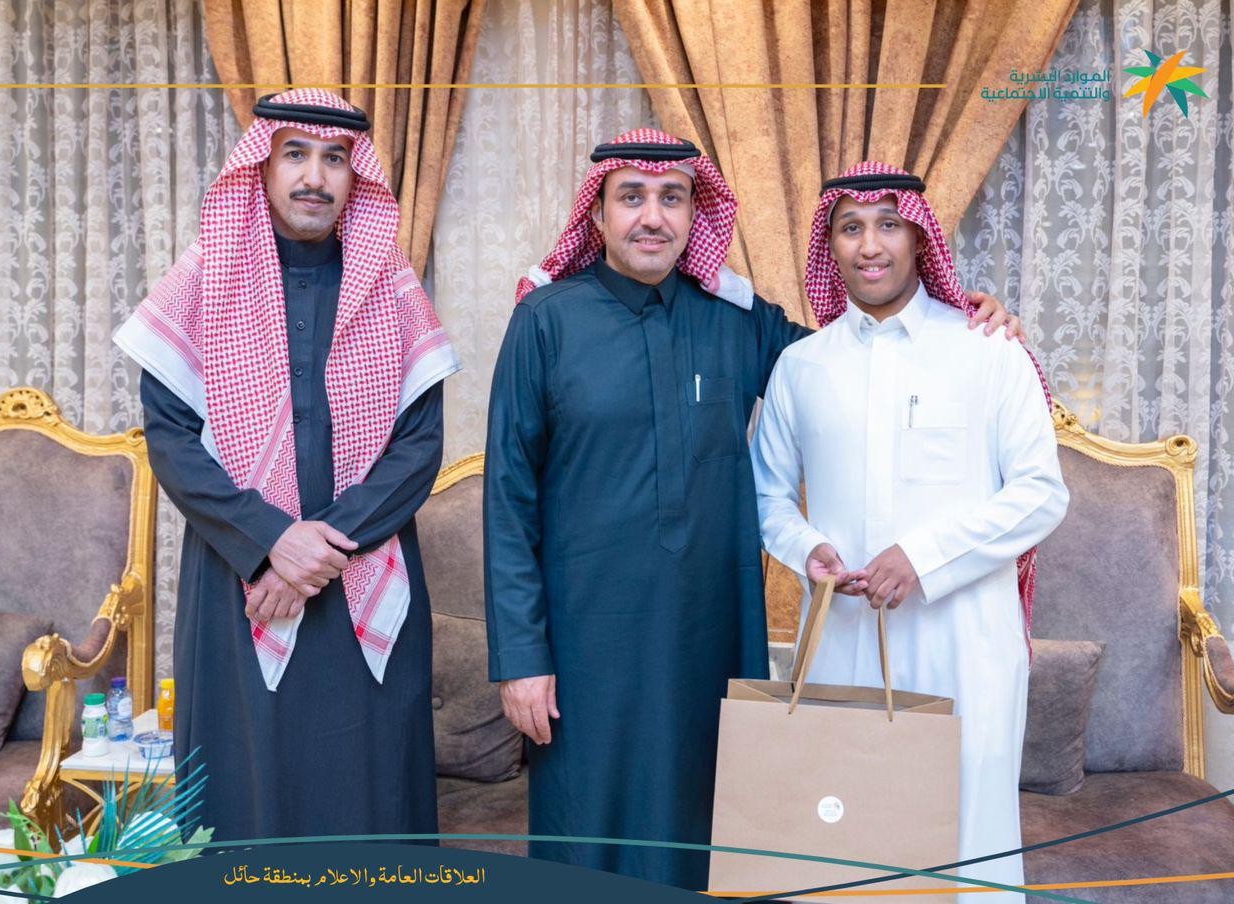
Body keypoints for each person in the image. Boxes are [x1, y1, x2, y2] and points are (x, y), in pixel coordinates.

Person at [483, 131, 1023, 889]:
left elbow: (853, 358)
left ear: (695, 215)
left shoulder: (736, 321)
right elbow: (508, 501)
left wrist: (962, 319)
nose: (652, 217)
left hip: (710, 639)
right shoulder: (545, 322)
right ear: (597, 216)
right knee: (586, 830)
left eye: (672, 198)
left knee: (715, 829)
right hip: (584, 647)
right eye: (631, 198)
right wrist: (521, 659)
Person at [114, 89, 460, 841]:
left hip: (363, 569)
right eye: (295, 154)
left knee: (367, 791)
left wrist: (316, 548)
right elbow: (170, 439)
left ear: (354, 176)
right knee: (246, 784)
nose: (315, 176)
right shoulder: (203, 281)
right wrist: (271, 539)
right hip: (239, 580)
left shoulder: (393, 289)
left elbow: (419, 447)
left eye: (334, 159)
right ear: (262, 168)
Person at [751, 161, 1069, 900]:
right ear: (829, 245)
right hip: (843, 640)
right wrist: (808, 549)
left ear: (920, 239)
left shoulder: (989, 350)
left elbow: (1040, 495)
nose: (870, 245)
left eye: (889, 225)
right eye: (851, 228)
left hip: (967, 643)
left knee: (968, 846)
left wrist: (922, 558)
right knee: (845, 841)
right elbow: (766, 496)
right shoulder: (800, 366)